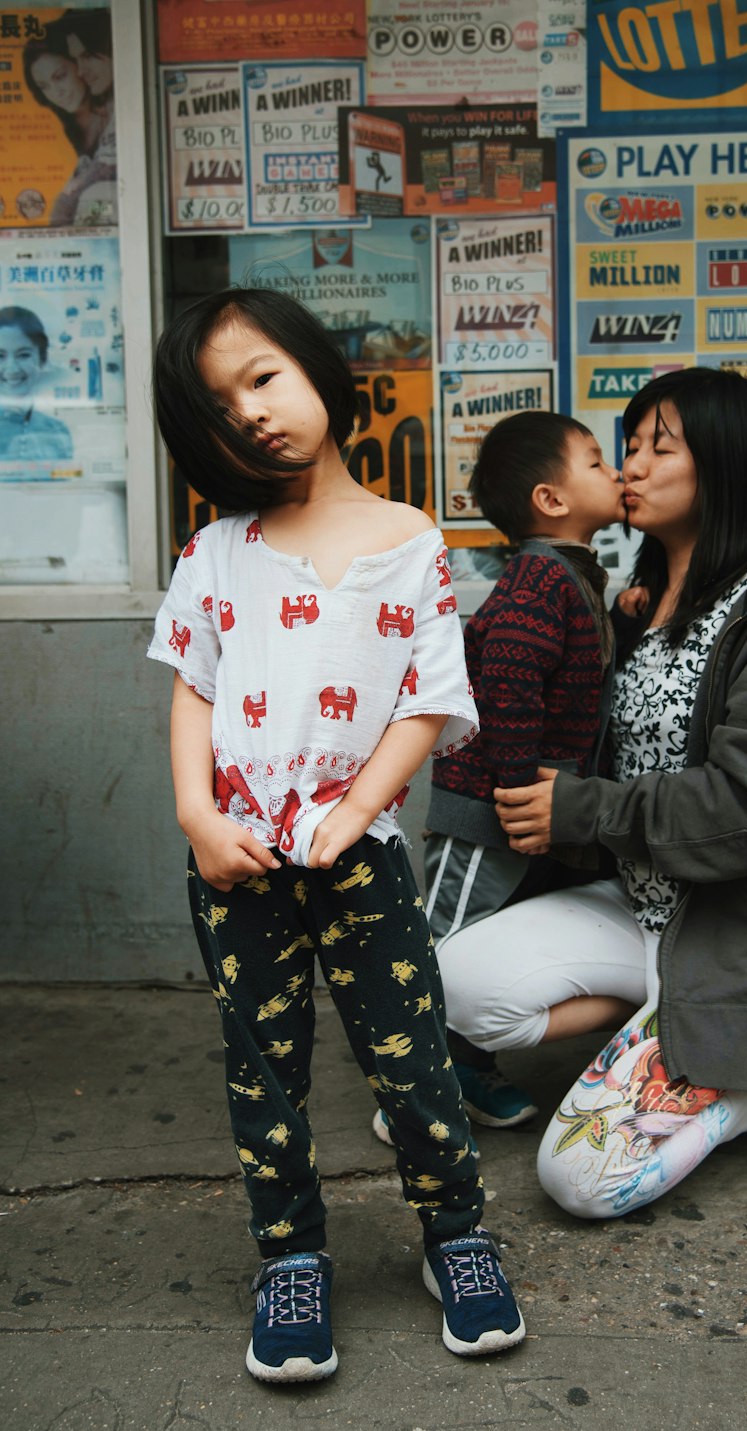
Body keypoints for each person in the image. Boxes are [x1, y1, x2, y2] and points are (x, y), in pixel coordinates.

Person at [147, 287, 525, 1382]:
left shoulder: (410, 540)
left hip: (359, 861)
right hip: (237, 862)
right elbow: (191, 696)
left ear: (316, 369)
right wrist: (198, 818)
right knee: (263, 1071)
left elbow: (426, 699)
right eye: (222, 406)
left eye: (262, 377)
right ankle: (290, 1256)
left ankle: (455, 1233)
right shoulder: (215, 552)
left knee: (411, 1064)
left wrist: (358, 815)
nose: (252, 414)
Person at [436, 367, 747, 1219]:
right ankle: (679, 1019)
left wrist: (583, 807)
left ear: (725, 464)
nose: (631, 465)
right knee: (455, 979)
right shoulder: (637, 611)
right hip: (646, 912)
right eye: (628, 446)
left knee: (579, 1178)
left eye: (659, 447)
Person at [393, 411, 627, 1138]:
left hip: (528, 800)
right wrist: (519, 788)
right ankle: (413, 1095)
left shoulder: (575, 575)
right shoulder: (537, 579)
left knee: (491, 942)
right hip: (493, 802)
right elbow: (509, 682)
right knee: (450, 945)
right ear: (551, 500)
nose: (616, 470)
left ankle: (467, 1066)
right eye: (596, 461)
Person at [23, 13, 116, 227]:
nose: (57, 92)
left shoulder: (113, 114)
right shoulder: (60, 130)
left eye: (59, 76)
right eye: (44, 87)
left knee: (95, 196)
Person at [0, 307, 73, 462]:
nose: (12, 369)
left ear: (42, 359)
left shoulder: (57, 431)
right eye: (0, 356)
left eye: (24, 355)